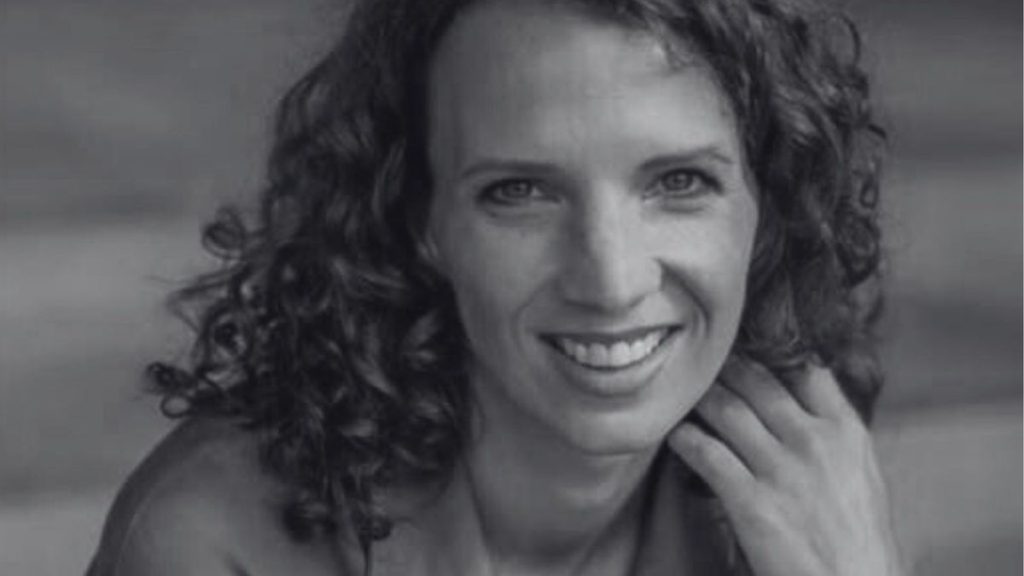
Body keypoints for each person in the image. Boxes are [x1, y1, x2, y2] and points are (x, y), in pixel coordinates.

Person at [87, 0, 900, 574]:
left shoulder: (804, 496)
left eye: (680, 182)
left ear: (768, 204)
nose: (611, 281)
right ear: (421, 218)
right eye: (521, 192)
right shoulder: (210, 539)